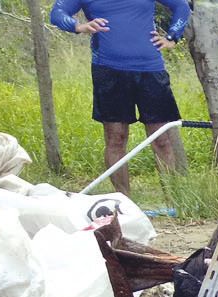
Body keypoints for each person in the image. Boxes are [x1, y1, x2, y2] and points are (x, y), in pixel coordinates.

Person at [49, 0, 190, 197]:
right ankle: (123, 202)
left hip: (150, 69)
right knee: (116, 138)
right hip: (108, 70)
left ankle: (175, 202)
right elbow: (57, 13)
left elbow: (181, 6)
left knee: (162, 138)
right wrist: (78, 27)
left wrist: (172, 36)